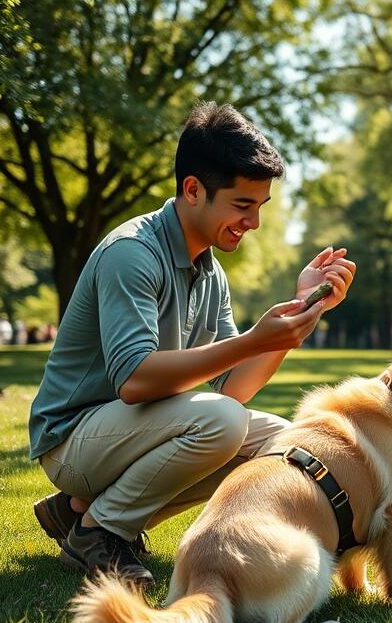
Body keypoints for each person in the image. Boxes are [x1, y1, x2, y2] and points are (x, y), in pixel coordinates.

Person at [28, 102, 356, 586]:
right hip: (73, 438)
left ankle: (78, 511)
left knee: (285, 445)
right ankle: (98, 532)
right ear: (193, 190)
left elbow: (231, 390)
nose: (254, 223)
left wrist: (301, 314)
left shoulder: (210, 271)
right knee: (220, 423)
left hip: (134, 434)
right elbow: (136, 381)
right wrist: (249, 341)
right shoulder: (132, 254)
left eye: (260, 207)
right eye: (242, 206)